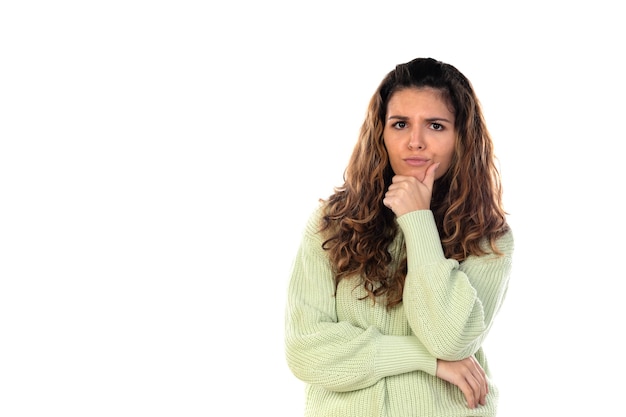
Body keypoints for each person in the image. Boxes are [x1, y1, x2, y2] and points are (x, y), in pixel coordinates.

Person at [284, 57, 513, 416]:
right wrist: (425, 360)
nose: (415, 142)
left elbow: (451, 342)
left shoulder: (487, 236)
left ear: (461, 138)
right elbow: (305, 350)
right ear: (381, 132)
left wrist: (418, 220)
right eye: (400, 124)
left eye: (436, 126)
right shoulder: (332, 222)